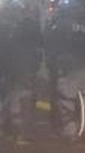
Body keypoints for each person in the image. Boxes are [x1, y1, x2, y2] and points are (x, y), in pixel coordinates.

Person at [47, 0, 85, 139]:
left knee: (66, 102)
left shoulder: (61, 23)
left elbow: (52, 45)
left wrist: (53, 66)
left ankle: (71, 133)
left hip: (70, 68)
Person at [0, 0, 43, 142]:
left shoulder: (9, 26)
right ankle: (17, 133)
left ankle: (8, 131)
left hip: (10, 68)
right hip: (20, 69)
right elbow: (37, 47)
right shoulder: (27, 25)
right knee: (18, 102)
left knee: (8, 100)